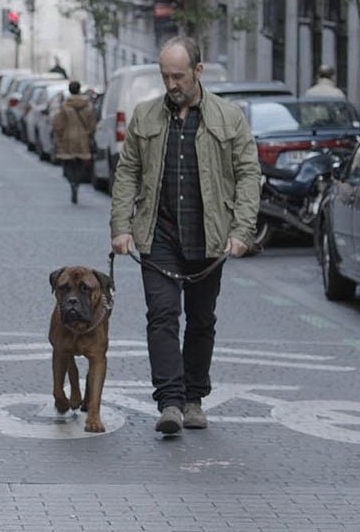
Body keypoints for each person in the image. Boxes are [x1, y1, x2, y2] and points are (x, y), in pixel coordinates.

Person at [109, 36, 260, 435]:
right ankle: (170, 403)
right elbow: (127, 172)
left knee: (201, 319)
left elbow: (248, 174)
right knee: (162, 315)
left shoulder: (229, 117)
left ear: (198, 71)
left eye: (178, 76)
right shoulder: (145, 115)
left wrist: (241, 230)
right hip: (158, 234)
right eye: (165, 76)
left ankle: (194, 398)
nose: (171, 84)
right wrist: (121, 226)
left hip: (209, 236)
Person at [51, 81, 97, 204]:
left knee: (68, 163)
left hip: (68, 139)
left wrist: (59, 136)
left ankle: (72, 182)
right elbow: (92, 125)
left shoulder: (65, 106)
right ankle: (77, 182)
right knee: (81, 162)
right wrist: (89, 134)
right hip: (83, 139)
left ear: (70, 90)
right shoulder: (88, 106)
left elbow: (59, 124)